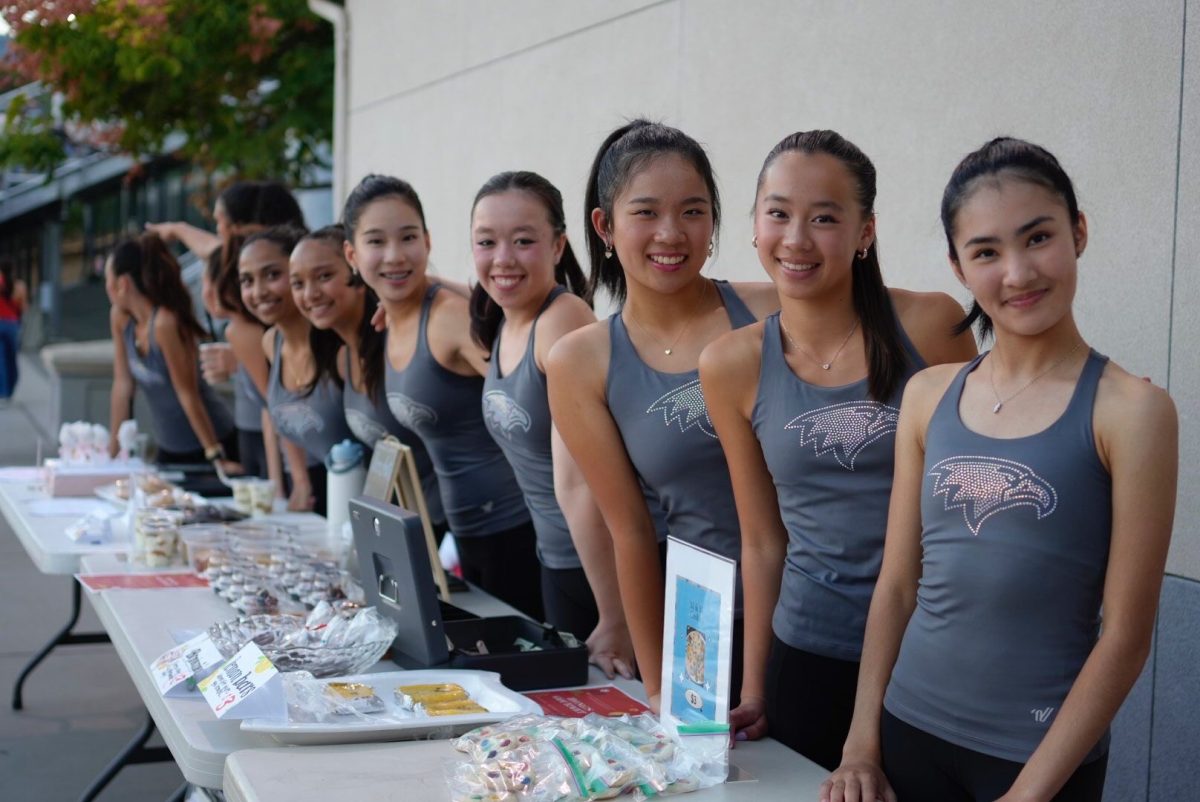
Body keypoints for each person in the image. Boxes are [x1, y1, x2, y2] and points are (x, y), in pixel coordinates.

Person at [822, 138, 1177, 802]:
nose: (1017, 274)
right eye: (986, 252)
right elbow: (897, 584)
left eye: (1037, 237)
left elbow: (1126, 636)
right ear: (959, 267)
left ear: (1078, 232)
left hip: (1036, 760)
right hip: (907, 734)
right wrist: (860, 745)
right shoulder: (930, 395)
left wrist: (1029, 794)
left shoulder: (1133, 412)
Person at [698, 130, 976, 768]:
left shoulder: (931, 326)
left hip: (927, 653)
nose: (795, 239)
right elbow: (763, 539)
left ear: (865, 231)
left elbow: (1000, 428)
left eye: (824, 217)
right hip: (807, 651)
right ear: (754, 225)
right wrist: (755, 685)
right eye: (778, 213)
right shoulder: (731, 363)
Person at [547, 120, 779, 710]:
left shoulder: (773, 312)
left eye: (693, 212)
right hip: (702, 622)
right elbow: (630, 531)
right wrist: (657, 686)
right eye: (646, 213)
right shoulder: (581, 360)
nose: (671, 234)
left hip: (805, 613)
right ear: (605, 226)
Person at [343, 174, 543, 620]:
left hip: (514, 526)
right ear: (352, 255)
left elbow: (530, 392)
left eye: (408, 237)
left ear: (428, 241)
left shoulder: (448, 317)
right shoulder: (393, 319)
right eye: (377, 241)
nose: (395, 255)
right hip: (467, 530)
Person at [470, 170, 636, 676]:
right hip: (558, 559)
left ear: (558, 244)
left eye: (524, 241)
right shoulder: (504, 316)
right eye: (486, 242)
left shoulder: (561, 321)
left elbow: (579, 482)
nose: (503, 258)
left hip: (603, 573)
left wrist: (618, 614)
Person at [288, 225, 447, 535]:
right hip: (406, 526)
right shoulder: (342, 357)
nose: (310, 294)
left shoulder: (398, 344)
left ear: (358, 271)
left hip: (452, 525)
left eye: (324, 277)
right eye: (298, 283)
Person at [240, 226, 353, 514]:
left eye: (272, 275)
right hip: (316, 497)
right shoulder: (271, 342)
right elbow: (283, 413)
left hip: (363, 499)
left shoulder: (340, 345)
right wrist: (300, 481)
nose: (258, 291)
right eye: (247, 280)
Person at [106, 233, 239, 469]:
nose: (106, 286)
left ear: (122, 284)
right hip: (169, 448)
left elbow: (187, 393)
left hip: (211, 443)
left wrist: (215, 456)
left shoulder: (165, 323)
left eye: (108, 278)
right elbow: (122, 385)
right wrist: (112, 455)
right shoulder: (121, 319)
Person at [0, 258, 28, 402]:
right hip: (12, 324)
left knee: (1, 358)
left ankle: (3, 392)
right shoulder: (20, 286)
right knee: (12, 358)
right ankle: (10, 388)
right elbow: (23, 308)